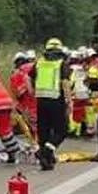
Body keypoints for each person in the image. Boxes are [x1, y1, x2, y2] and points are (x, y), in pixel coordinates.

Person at [31, 38, 71, 170]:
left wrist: (33, 91)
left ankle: (46, 161)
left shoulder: (39, 63)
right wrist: (69, 101)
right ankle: (46, 152)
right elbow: (65, 83)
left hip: (41, 100)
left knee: (44, 131)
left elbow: (28, 77)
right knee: (62, 130)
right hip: (56, 100)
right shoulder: (61, 64)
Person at [9, 52, 37, 146]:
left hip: (28, 103)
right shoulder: (32, 69)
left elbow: (18, 93)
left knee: (32, 124)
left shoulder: (17, 74)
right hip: (31, 102)